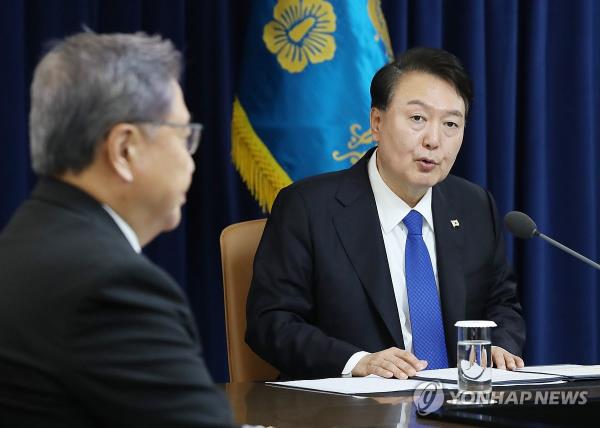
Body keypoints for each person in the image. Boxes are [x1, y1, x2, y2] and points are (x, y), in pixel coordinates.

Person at [246, 47, 526, 380]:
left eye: (451, 123)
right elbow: (271, 322)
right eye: (417, 119)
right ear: (377, 122)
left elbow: (502, 303)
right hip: (351, 412)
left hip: (459, 409)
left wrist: (499, 344)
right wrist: (357, 362)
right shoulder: (307, 208)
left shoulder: (475, 206)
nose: (434, 140)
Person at [0, 32, 235, 427]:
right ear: (124, 149)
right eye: (183, 136)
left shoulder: (21, 243)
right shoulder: (110, 286)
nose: (190, 160)